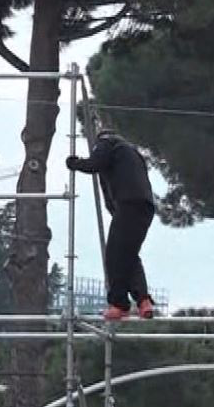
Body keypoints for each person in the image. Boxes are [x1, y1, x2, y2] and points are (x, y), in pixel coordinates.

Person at [66, 129, 157, 321]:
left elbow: (95, 164)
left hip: (128, 204)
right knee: (128, 255)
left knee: (114, 256)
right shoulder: (132, 153)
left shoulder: (108, 143)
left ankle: (119, 303)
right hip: (145, 206)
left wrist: (74, 163)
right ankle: (143, 300)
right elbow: (110, 189)